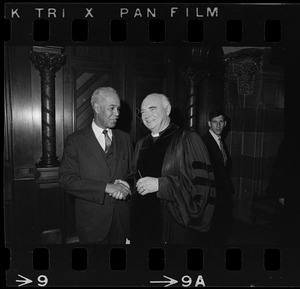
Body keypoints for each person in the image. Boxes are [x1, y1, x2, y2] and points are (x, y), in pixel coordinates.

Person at [130, 93, 216, 245]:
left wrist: (161, 185)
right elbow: (136, 177)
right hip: (143, 223)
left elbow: (202, 188)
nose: (147, 116)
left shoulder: (187, 139)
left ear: (167, 109)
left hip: (173, 224)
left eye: (152, 109)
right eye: (143, 112)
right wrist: (126, 184)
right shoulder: (141, 144)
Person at [59, 87, 133, 244]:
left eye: (118, 108)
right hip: (92, 225)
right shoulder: (75, 141)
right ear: (97, 108)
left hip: (122, 222)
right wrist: (107, 187)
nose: (117, 113)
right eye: (111, 108)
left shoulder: (125, 139)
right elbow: (66, 180)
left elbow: (133, 174)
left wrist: (127, 184)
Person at [202, 110, 234, 246]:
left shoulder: (220, 141)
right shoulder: (204, 142)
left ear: (225, 123)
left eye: (221, 122)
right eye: (215, 122)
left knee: (219, 234)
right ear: (209, 123)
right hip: (212, 196)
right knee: (212, 236)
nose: (218, 125)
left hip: (222, 196)